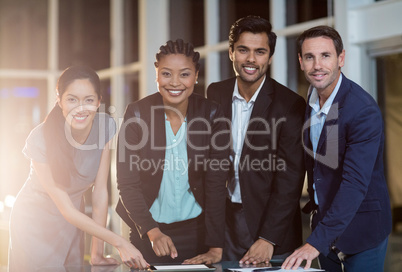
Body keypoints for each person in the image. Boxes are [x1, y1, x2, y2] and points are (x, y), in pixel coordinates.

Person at [8, 66, 149, 271]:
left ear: (99, 101)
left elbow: (100, 192)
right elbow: (65, 208)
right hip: (34, 222)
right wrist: (119, 241)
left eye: (89, 100)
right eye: (72, 99)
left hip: (75, 222)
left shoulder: (105, 127)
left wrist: (97, 253)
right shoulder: (40, 139)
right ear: (60, 101)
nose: (80, 108)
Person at [282, 26, 392, 271]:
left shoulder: (362, 110)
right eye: (309, 57)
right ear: (300, 62)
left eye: (325, 55)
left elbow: (354, 184)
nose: (317, 65)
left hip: (364, 230)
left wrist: (315, 242)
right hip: (325, 225)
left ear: (341, 58)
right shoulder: (309, 101)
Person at [116, 39, 230, 264]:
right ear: (156, 75)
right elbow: (127, 183)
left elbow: (217, 183)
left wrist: (216, 246)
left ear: (196, 76)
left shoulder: (212, 114)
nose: (175, 83)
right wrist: (152, 231)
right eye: (167, 74)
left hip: (197, 233)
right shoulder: (137, 114)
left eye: (185, 74)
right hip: (147, 232)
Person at [207, 15, 306, 265]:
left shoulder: (290, 104)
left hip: (271, 227)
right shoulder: (215, 93)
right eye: (243, 50)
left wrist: (268, 238)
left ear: (270, 57)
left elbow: (291, 178)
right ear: (231, 53)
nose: (251, 59)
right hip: (226, 224)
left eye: (260, 52)